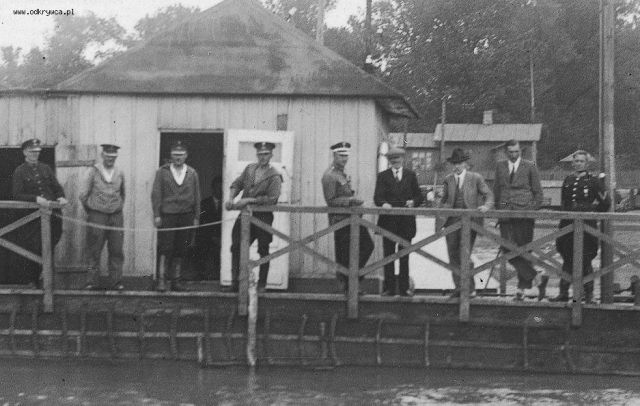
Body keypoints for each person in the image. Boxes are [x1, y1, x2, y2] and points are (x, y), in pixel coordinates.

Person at [551, 150, 610, 303]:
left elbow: (606, 203)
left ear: (587, 163)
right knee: (567, 257)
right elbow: (564, 203)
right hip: (568, 225)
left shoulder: (594, 181)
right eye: (576, 161)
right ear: (573, 163)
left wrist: (591, 211)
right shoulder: (568, 180)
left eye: (581, 161)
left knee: (586, 258)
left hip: (586, 227)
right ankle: (563, 293)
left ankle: (589, 295)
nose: (578, 164)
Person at [225, 142, 282, 292]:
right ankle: (236, 282)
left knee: (263, 249)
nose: (263, 157)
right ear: (257, 154)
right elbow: (237, 184)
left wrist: (248, 200)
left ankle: (262, 284)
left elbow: (272, 199)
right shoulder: (250, 169)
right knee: (237, 247)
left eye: (266, 154)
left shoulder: (274, 175)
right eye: (260, 154)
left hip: (263, 217)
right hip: (245, 216)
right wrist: (231, 198)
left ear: (271, 155)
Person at [12, 138, 68, 287]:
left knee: (49, 246)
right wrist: (36, 199)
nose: (35, 154)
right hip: (33, 219)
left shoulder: (46, 168)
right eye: (32, 152)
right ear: (25, 152)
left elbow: (57, 188)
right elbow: (17, 194)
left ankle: (47, 281)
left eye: (37, 152)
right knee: (34, 248)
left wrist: (61, 197)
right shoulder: (20, 171)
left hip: (52, 217)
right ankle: (33, 281)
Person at [439, 148, 493, 297]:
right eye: (454, 163)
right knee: (453, 255)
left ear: (465, 164)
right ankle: (459, 288)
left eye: (459, 163)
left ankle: (470, 289)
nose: (457, 166)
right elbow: (444, 200)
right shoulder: (448, 179)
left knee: (465, 254)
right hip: (451, 222)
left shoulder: (475, 178)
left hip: (470, 222)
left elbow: (489, 195)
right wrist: (440, 213)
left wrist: (486, 206)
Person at [322, 141, 374, 294]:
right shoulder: (330, 175)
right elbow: (331, 200)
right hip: (340, 220)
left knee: (364, 247)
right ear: (334, 155)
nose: (344, 159)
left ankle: (351, 282)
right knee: (346, 254)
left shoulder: (342, 173)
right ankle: (349, 286)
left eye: (346, 156)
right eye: (341, 155)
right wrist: (351, 201)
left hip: (352, 219)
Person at [493, 139, 543, 300]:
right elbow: (496, 191)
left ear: (520, 151)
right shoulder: (500, 166)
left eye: (516, 152)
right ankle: (535, 276)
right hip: (506, 215)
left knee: (524, 251)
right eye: (510, 152)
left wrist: (530, 211)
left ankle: (522, 290)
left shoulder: (530, 166)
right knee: (507, 249)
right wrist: (499, 209)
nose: (514, 155)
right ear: (505, 152)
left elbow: (538, 194)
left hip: (524, 216)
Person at [373, 146, 424, 296]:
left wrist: (413, 202)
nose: (395, 162)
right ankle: (389, 288)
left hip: (406, 223)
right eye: (392, 159)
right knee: (388, 256)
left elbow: (419, 196)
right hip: (388, 222)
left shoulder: (410, 175)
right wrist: (383, 204)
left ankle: (404, 289)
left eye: (398, 159)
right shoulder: (383, 176)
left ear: (403, 159)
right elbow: (377, 197)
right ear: (389, 161)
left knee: (404, 256)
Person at [151, 141, 201, 292]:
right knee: (166, 248)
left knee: (181, 248)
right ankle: (161, 280)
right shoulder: (162, 172)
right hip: (168, 215)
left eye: (181, 155)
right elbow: (156, 194)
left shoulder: (192, 173)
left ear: (186, 156)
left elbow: (197, 196)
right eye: (175, 154)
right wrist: (157, 215)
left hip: (186, 215)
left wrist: (196, 217)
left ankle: (176, 281)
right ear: (171, 155)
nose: (178, 157)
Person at [79, 144, 125, 290]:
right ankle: (91, 282)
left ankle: (116, 282)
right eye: (108, 156)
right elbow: (83, 195)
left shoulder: (119, 172)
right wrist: (93, 210)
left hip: (116, 217)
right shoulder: (93, 172)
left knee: (116, 250)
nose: (110, 159)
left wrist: (116, 208)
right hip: (97, 215)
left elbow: (122, 194)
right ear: (102, 155)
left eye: (113, 156)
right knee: (94, 250)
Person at [193, 176, 223, 281]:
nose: (220, 191)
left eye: (222, 188)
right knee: (201, 244)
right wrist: (212, 236)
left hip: (221, 236)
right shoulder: (204, 204)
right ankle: (202, 273)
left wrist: (219, 237)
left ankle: (218, 274)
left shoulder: (226, 205)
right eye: (218, 188)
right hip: (207, 236)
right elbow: (201, 223)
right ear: (213, 189)